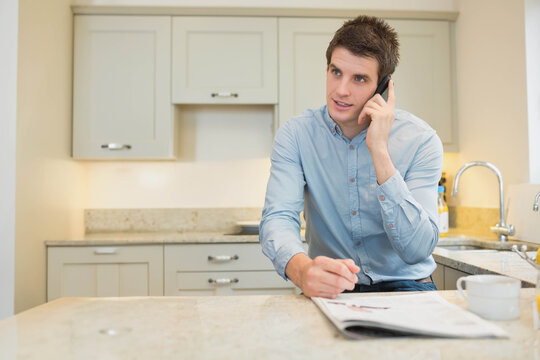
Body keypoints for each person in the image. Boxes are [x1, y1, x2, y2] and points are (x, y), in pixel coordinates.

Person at [259, 15, 443, 299]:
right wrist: (302, 271)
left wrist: (379, 150)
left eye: (359, 78)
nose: (341, 90)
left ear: (383, 87)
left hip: (408, 286)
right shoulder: (296, 135)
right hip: (335, 287)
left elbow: (417, 249)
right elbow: (279, 218)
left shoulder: (422, 141)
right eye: (336, 72)